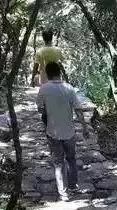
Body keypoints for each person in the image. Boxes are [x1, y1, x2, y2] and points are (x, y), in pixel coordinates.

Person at [36, 61, 88, 201]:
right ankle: (73, 185)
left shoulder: (44, 89)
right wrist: (84, 127)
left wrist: (48, 111)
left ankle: (63, 193)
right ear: (60, 72)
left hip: (53, 132)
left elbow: (40, 109)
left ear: (47, 73)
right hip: (69, 131)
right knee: (71, 159)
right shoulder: (69, 88)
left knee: (58, 163)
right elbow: (78, 110)